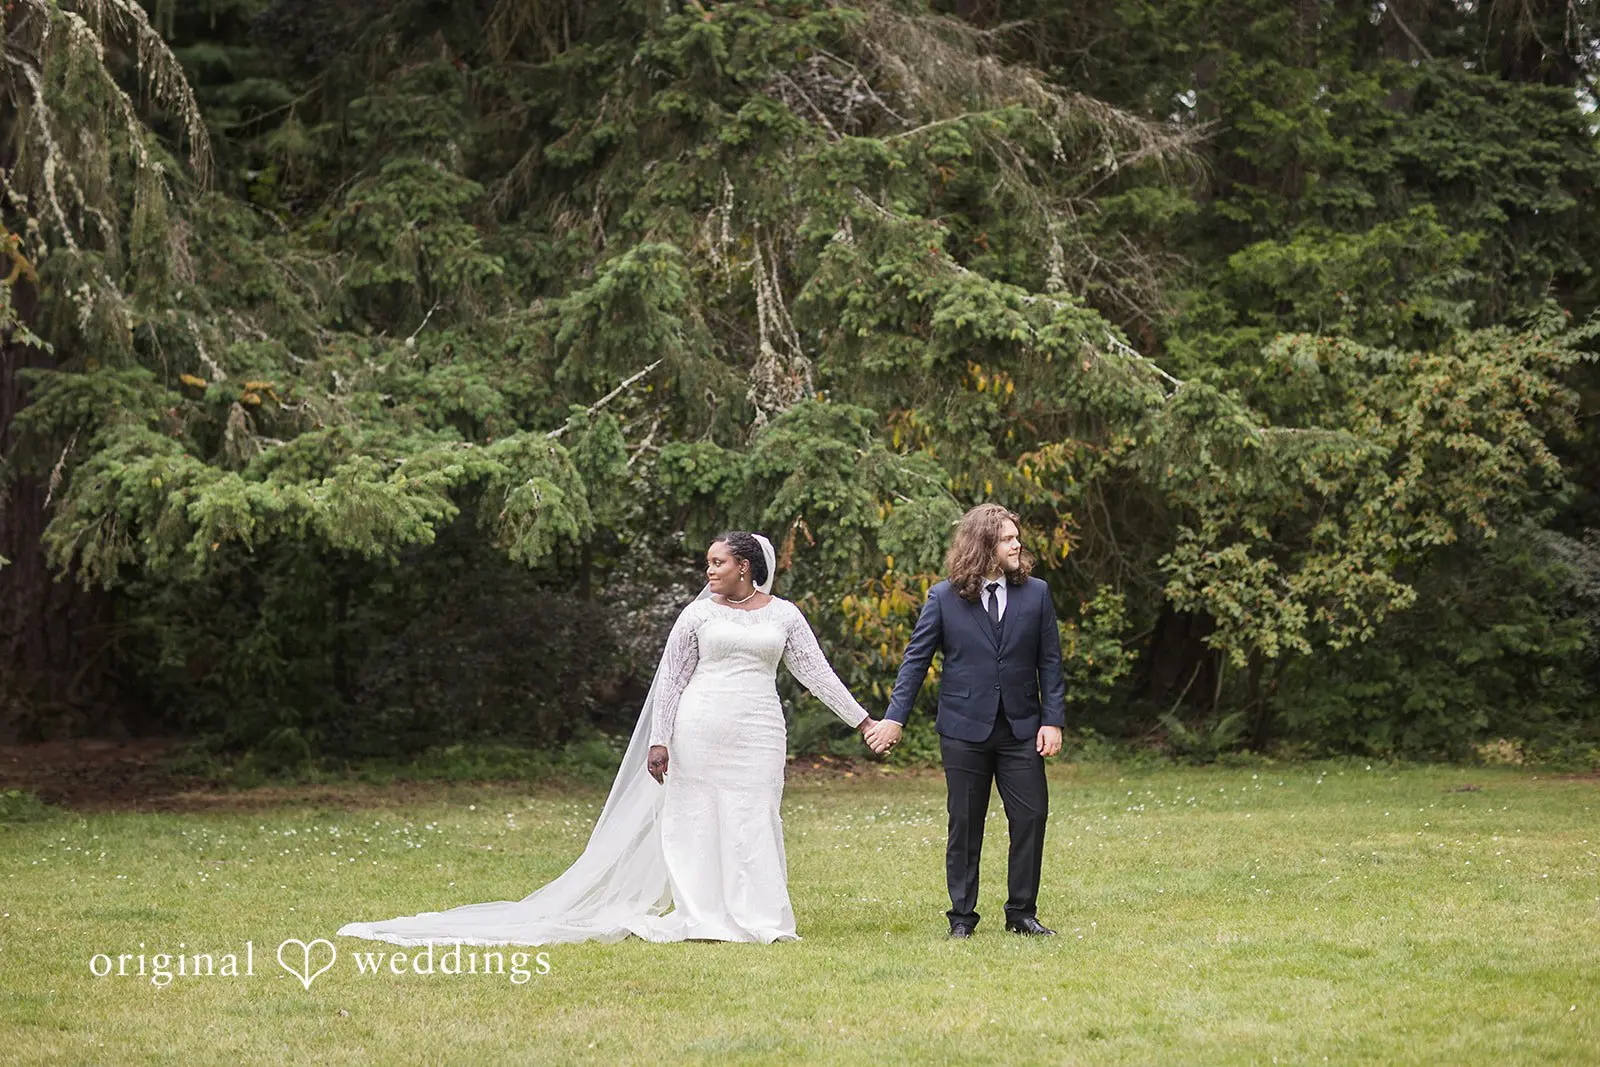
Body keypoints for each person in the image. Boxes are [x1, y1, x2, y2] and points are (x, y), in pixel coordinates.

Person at [337, 531, 882, 947]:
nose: (709, 571)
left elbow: (818, 675)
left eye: (718, 562)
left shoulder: (785, 616)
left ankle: (762, 918)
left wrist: (863, 722)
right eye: (708, 563)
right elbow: (670, 681)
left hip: (759, 729)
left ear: (745, 567)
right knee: (696, 819)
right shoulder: (696, 615)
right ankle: (703, 916)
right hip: (699, 726)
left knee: (754, 816)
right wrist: (660, 739)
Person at [866, 504, 1066, 938]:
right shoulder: (943, 597)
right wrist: (895, 718)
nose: (1017, 545)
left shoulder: (1037, 593)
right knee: (965, 823)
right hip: (962, 730)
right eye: (1008, 538)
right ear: (984, 545)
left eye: (1017, 538)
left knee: (1032, 817)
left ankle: (1021, 914)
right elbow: (915, 662)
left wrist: (1053, 721)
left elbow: (1050, 663)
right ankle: (962, 918)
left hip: (1021, 729)